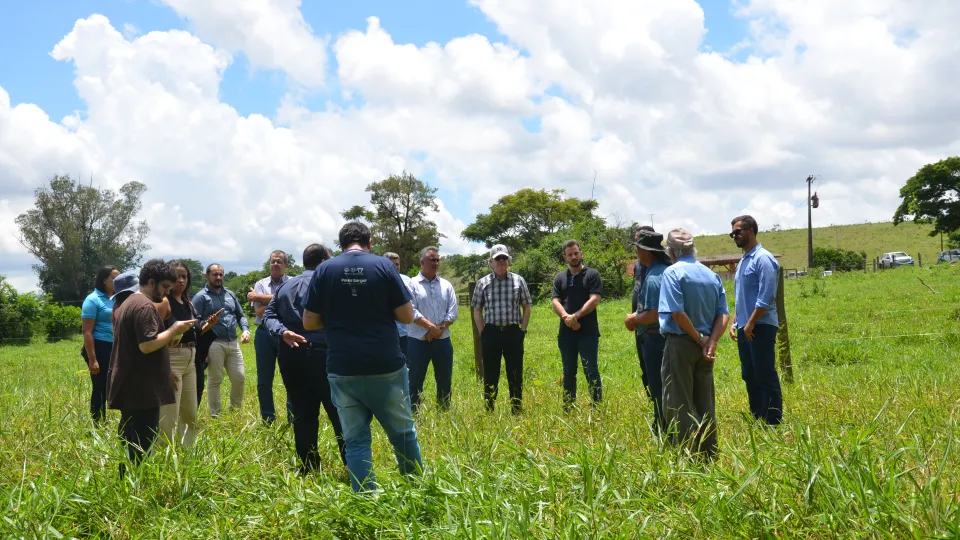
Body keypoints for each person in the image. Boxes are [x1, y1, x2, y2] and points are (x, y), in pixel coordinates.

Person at [302, 221, 422, 493]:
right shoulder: (383, 266)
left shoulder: (324, 269)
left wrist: (339, 317)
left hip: (343, 367)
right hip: (385, 365)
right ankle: (417, 493)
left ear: (341, 243)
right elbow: (406, 315)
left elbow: (308, 322)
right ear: (369, 242)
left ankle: (366, 499)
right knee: (403, 433)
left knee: (355, 440)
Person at [263, 244, 346, 473]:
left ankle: (309, 468)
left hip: (292, 355)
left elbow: (268, 316)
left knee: (302, 413)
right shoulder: (331, 284)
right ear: (322, 262)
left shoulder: (285, 286)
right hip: (326, 356)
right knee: (340, 412)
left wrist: (283, 332)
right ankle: (353, 466)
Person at [108, 259, 195, 475]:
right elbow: (147, 345)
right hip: (141, 388)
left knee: (129, 440)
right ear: (150, 281)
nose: (167, 293)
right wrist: (174, 329)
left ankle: (126, 483)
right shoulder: (145, 306)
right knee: (141, 444)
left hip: (132, 384)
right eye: (165, 286)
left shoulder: (129, 303)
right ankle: (135, 488)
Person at [658, 229, 729, 459]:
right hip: (706, 349)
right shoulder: (710, 275)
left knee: (679, 403)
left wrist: (699, 338)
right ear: (692, 249)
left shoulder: (672, 273)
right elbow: (723, 314)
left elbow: (677, 313)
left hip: (681, 344)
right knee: (705, 401)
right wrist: (711, 342)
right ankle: (709, 455)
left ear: (671, 251)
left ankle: (687, 456)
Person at [157, 261, 221, 448]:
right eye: (177, 276)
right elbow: (159, 333)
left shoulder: (187, 302)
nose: (181, 280)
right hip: (172, 356)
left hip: (191, 357)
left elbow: (194, 331)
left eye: (185, 276)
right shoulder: (164, 302)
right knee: (170, 409)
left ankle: (186, 451)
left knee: (189, 408)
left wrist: (208, 325)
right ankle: (164, 450)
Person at [729, 215, 783, 426]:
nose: (734, 236)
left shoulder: (763, 259)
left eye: (737, 232)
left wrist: (750, 322)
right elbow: (742, 295)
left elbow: (766, 295)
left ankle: (773, 420)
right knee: (749, 373)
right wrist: (736, 321)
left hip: (760, 325)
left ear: (750, 231)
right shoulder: (744, 260)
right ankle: (757, 415)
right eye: (732, 233)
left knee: (764, 372)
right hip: (746, 326)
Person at [471, 244, 532, 414]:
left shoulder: (518, 280)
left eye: (504, 258)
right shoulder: (483, 283)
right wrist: (483, 331)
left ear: (508, 261)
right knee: (491, 373)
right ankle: (489, 410)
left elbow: (527, 306)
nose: (502, 261)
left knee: (515, 372)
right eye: (498, 258)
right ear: (490, 261)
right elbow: (477, 309)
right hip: (491, 333)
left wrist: (523, 329)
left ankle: (516, 409)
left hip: (513, 332)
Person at [624, 231, 672, 432]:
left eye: (637, 247)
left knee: (658, 385)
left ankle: (662, 427)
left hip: (653, 338)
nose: (636, 251)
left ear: (644, 250)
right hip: (664, 338)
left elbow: (653, 315)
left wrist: (634, 319)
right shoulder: (664, 271)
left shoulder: (653, 278)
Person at [192, 264, 250, 417]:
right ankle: (215, 414)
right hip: (213, 342)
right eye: (215, 274)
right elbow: (194, 322)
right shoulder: (200, 297)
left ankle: (235, 411)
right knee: (215, 379)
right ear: (207, 276)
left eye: (221, 274)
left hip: (233, 342)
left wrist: (245, 330)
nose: (218, 277)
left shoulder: (230, 294)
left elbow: (240, 315)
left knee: (239, 378)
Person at [406, 246, 459, 412]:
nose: (436, 263)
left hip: (442, 341)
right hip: (417, 341)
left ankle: (443, 412)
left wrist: (438, 330)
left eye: (437, 260)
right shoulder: (411, 284)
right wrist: (430, 328)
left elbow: (453, 311)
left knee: (444, 380)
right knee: (414, 381)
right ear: (422, 262)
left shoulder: (446, 285)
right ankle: (415, 415)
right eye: (432, 259)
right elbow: (410, 310)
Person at [552, 239, 603, 408]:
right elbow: (555, 301)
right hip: (566, 334)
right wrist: (567, 317)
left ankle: (597, 406)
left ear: (581, 253)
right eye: (570, 254)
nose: (573, 257)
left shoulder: (592, 274)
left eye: (576, 253)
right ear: (564, 257)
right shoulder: (560, 278)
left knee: (591, 370)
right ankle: (568, 406)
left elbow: (594, 299)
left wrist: (576, 316)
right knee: (568, 372)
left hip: (588, 332)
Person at [248, 250, 291, 424]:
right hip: (264, 334)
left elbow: (291, 306)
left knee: (291, 377)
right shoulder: (260, 283)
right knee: (264, 380)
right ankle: (268, 418)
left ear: (286, 265)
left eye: (279, 261)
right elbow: (259, 311)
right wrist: (281, 303)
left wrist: (259, 297)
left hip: (286, 333)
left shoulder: (293, 282)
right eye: (273, 261)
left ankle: (292, 418)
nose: (275, 264)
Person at [80, 265, 120, 423]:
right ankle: (98, 422)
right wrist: (93, 359)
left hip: (115, 346)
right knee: (100, 387)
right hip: (100, 346)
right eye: (114, 279)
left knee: (113, 386)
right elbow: (87, 331)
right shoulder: (92, 300)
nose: (117, 282)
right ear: (104, 280)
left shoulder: (119, 298)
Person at [631, 225, 655, 399]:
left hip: (653, 322)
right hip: (638, 320)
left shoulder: (659, 263)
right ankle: (651, 399)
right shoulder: (638, 264)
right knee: (643, 362)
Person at [384, 252, 411, 359]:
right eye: (393, 264)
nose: (396, 267)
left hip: (405, 332)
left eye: (397, 264)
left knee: (408, 363)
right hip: (387, 332)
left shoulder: (407, 281)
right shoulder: (378, 280)